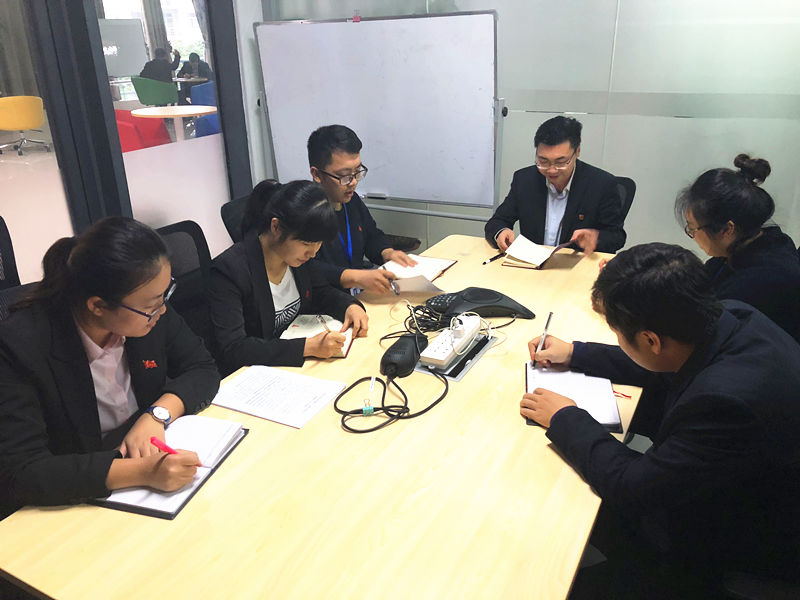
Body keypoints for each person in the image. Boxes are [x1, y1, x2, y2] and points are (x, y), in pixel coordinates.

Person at [521, 243, 800, 598]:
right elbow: (667, 365)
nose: (620, 341)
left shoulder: (724, 404)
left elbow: (630, 487)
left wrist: (565, 417)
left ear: (651, 339)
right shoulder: (729, 315)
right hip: (742, 485)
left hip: (746, 541)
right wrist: (577, 353)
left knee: (558, 524)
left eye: (619, 335)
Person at [0, 217, 220, 520]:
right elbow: (24, 471)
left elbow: (202, 367)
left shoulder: (146, 309)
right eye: (153, 304)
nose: (162, 310)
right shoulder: (20, 346)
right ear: (98, 306)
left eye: (164, 295)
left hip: (143, 473)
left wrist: (156, 415)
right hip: (74, 503)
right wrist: (142, 472)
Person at [209, 179, 369, 375]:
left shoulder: (297, 258)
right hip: (257, 373)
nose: (313, 252)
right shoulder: (228, 271)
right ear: (276, 227)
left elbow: (321, 292)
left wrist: (350, 306)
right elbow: (234, 348)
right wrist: (307, 347)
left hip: (301, 367)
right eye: (306, 243)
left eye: (318, 243)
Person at [676, 153, 800, 343]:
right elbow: (701, 281)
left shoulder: (753, 286)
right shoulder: (766, 240)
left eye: (692, 228)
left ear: (727, 229)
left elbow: (701, 338)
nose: (691, 234)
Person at [485, 116, 626, 254]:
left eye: (561, 162)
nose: (551, 170)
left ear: (577, 152)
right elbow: (498, 221)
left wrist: (596, 238)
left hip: (575, 264)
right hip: (532, 264)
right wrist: (501, 232)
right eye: (543, 161)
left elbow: (617, 236)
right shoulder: (524, 180)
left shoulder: (601, 184)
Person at [307, 124, 417, 294]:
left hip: (357, 296)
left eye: (357, 171)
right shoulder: (305, 214)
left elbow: (371, 235)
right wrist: (355, 277)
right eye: (344, 175)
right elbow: (306, 268)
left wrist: (387, 252)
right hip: (327, 301)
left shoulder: (352, 201)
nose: (353, 182)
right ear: (317, 174)